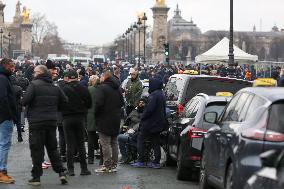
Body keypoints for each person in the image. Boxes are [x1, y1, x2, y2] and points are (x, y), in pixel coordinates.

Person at [21, 65, 67, 186]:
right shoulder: (54, 87)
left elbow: (25, 100)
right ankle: (61, 172)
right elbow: (64, 101)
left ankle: (36, 177)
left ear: (40, 73)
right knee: (53, 148)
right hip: (51, 121)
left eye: (35, 72)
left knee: (37, 149)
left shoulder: (34, 85)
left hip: (36, 121)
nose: (33, 74)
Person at [61, 69, 92, 176]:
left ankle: (71, 170)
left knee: (69, 145)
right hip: (80, 118)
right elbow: (89, 103)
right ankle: (84, 169)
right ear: (77, 77)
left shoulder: (64, 89)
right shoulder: (83, 88)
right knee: (80, 144)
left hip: (67, 119)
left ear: (68, 78)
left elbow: (59, 104)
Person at [132, 75, 167, 169]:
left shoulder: (154, 95)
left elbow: (149, 110)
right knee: (155, 142)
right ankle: (156, 162)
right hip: (158, 123)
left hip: (150, 123)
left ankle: (141, 160)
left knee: (140, 139)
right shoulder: (161, 94)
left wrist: (143, 117)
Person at [94, 71, 124, 173]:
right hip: (115, 118)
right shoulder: (118, 88)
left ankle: (107, 165)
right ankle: (114, 164)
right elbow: (122, 102)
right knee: (114, 142)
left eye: (101, 76)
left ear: (104, 77)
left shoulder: (102, 88)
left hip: (104, 118)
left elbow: (98, 103)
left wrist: (96, 114)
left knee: (105, 143)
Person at [0, 58, 17, 184]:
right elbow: (4, 99)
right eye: (11, 66)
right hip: (4, 117)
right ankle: (2, 171)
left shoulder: (3, 77)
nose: (13, 68)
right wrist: (10, 115)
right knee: (4, 144)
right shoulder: (3, 78)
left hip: (3, 116)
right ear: (4, 65)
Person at [117, 98, 146, 164]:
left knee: (120, 138)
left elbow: (139, 123)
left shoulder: (143, 113)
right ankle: (128, 156)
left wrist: (131, 130)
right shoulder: (135, 112)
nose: (141, 104)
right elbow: (127, 122)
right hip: (132, 132)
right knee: (121, 136)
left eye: (143, 103)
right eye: (140, 102)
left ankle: (126, 157)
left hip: (136, 134)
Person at [87, 75, 100, 164]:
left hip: (90, 115)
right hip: (100, 115)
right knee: (102, 137)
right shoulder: (101, 89)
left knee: (90, 137)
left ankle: (90, 158)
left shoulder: (89, 89)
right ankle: (102, 157)